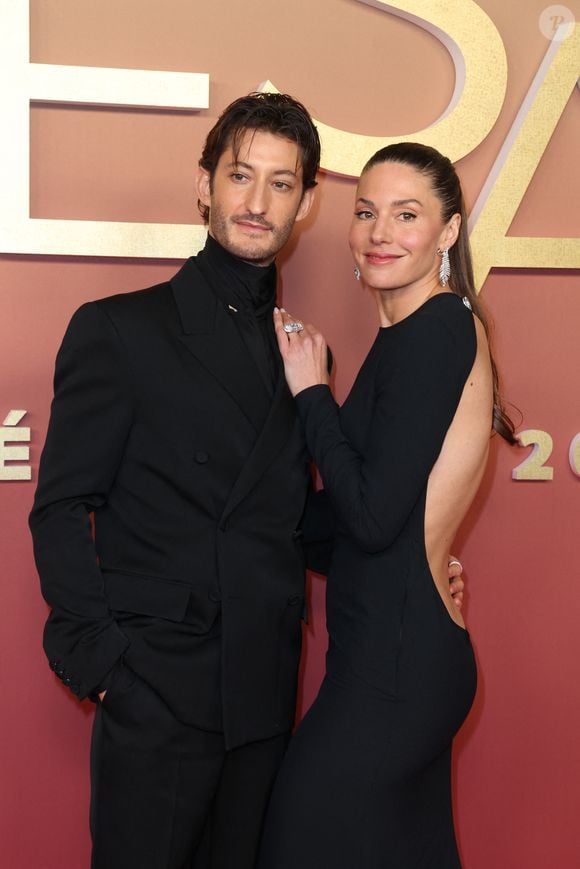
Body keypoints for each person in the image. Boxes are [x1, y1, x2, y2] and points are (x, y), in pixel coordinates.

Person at [29, 95, 464, 869]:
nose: (257, 203)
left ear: (304, 204)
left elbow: (302, 521)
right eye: (240, 176)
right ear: (204, 185)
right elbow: (59, 508)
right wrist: (107, 668)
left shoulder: (299, 355)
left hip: (263, 702)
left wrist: (415, 572)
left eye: (282, 184)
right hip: (157, 695)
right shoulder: (120, 329)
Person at [258, 142, 516, 868]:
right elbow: (348, 531)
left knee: (297, 842)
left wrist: (312, 394)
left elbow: (369, 517)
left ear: (448, 232)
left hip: (397, 670)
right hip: (396, 649)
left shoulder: (436, 328)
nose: (380, 232)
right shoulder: (405, 336)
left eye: (407, 215)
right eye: (366, 211)